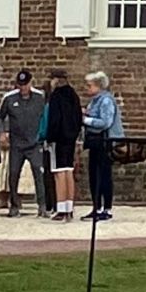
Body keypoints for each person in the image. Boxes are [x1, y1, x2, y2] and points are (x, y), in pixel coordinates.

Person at [0, 69, 49, 219]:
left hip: (34, 143)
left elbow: (45, 116)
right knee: (13, 174)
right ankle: (14, 205)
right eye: (20, 85)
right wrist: (2, 132)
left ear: (31, 83)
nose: (23, 88)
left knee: (39, 174)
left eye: (25, 84)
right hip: (17, 144)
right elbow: (0, 117)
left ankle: (42, 206)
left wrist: (43, 134)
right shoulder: (9, 98)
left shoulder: (40, 98)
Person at [81, 71, 125, 223]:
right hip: (95, 142)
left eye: (89, 85)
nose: (86, 88)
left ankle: (105, 208)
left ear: (99, 86)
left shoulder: (106, 101)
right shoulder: (95, 101)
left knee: (103, 174)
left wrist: (86, 120)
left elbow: (105, 122)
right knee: (94, 175)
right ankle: (96, 206)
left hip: (105, 142)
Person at [43, 70, 83, 223]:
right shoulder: (73, 95)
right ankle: (69, 207)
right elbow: (78, 117)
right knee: (68, 171)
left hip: (58, 139)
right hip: (70, 139)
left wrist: (50, 137)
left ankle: (61, 208)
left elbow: (54, 120)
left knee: (59, 173)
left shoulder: (56, 97)